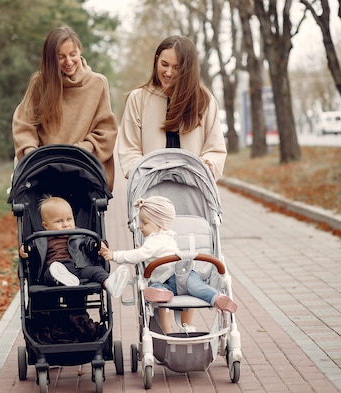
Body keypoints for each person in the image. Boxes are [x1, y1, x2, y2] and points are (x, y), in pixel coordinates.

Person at [99, 196, 237, 332]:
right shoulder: (165, 237)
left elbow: (137, 256)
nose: (140, 226)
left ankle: (217, 298)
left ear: (159, 225)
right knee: (173, 287)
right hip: (167, 281)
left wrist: (114, 255)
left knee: (196, 286)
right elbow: (146, 252)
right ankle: (163, 293)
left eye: (145, 223)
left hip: (180, 277)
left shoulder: (155, 241)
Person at [12, 26, 118, 190]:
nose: (68, 62)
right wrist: (33, 155)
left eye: (73, 54)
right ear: (51, 59)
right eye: (61, 57)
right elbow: (24, 124)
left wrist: (79, 151)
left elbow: (106, 130)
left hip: (84, 169)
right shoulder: (39, 83)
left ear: (80, 50)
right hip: (44, 171)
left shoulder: (97, 83)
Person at [117, 35, 226, 181]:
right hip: (149, 190)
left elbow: (215, 149)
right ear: (156, 60)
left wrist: (200, 170)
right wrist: (147, 176)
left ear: (188, 69)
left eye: (176, 68)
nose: (168, 72)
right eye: (164, 64)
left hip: (194, 192)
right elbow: (129, 149)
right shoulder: (138, 98)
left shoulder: (205, 100)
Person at [19, 196, 130, 298]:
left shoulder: (79, 234)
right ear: (46, 226)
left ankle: (110, 283)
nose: (66, 224)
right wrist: (24, 249)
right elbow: (31, 248)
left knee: (96, 270)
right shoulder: (40, 239)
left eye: (69, 219)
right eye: (59, 221)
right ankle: (63, 279)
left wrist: (97, 244)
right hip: (54, 268)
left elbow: (88, 243)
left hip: (78, 267)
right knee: (50, 274)